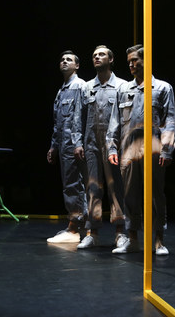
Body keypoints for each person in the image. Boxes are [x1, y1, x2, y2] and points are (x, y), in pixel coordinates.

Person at [107, 45, 175, 255]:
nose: (131, 64)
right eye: (129, 61)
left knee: (155, 194)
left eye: (135, 60)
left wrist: (166, 149)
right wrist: (112, 147)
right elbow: (114, 121)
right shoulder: (123, 90)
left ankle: (158, 240)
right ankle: (133, 238)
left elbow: (169, 120)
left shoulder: (163, 88)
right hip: (128, 149)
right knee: (129, 194)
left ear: (146, 60)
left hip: (153, 148)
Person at [72, 45, 127, 250]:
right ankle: (92, 233)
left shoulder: (122, 86)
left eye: (101, 54)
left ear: (111, 59)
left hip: (113, 144)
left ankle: (120, 232)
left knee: (116, 187)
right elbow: (78, 116)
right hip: (91, 143)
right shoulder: (87, 87)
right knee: (93, 188)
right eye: (94, 55)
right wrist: (78, 142)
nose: (97, 57)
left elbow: (125, 118)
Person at [47, 50, 88, 243]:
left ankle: (76, 227)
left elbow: (81, 118)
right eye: (62, 59)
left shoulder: (80, 86)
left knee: (75, 185)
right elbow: (58, 122)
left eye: (69, 60)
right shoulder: (61, 90)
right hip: (64, 144)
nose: (64, 61)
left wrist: (78, 143)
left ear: (77, 65)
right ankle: (76, 225)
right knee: (69, 184)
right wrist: (53, 146)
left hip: (75, 144)